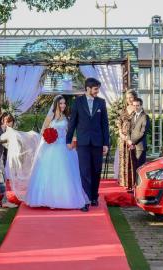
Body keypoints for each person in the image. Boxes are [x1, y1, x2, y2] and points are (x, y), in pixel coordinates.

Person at [25, 95, 89, 209]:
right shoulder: (51, 117)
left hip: (63, 146)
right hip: (51, 147)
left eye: (64, 103)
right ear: (56, 105)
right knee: (48, 172)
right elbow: (43, 130)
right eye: (61, 103)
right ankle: (47, 199)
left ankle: (63, 199)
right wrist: (48, 136)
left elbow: (69, 132)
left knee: (65, 171)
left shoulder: (66, 117)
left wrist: (71, 142)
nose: (63, 105)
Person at [66, 77, 110, 212]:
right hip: (83, 143)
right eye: (96, 89)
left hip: (97, 142)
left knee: (96, 171)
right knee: (84, 171)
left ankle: (94, 196)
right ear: (88, 88)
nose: (97, 91)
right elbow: (72, 122)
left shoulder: (101, 103)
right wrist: (68, 140)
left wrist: (106, 143)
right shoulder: (78, 102)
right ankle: (85, 199)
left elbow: (105, 125)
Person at [117, 90, 137, 190]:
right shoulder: (123, 109)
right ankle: (125, 182)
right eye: (127, 98)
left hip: (133, 140)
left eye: (131, 97)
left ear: (135, 97)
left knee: (132, 161)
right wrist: (121, 133)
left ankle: (133, 183)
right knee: (124, 160)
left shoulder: (138, 109)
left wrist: (131, 139)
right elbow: (119, 123)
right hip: (123, 139)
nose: (129, 100)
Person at [127, 98, 149, 185]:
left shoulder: (145, 117)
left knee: (140, 168)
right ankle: (134, 186)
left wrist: (132, 142)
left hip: (140, 146)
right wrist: (129, 140)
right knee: (134, 167)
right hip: (132, 145)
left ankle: (140, 187)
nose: (136, 107)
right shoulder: (133, 116)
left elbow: (142, 132)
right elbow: (129, 129)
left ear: (141, 106)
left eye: (138, 105)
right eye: (134, 105)